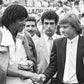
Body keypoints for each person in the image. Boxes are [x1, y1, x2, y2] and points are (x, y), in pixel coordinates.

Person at [38, 12, 84, 84]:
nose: (62, 30)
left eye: (65, 27)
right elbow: (53, 66)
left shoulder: (82, 42)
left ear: (74, 27)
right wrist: (44, 76)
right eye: (61, 27)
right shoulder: (58, 43)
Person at [0, 4, 39, 84]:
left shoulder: (26, 36)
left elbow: (32, 58)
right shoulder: (1, 35)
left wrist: (29, 64)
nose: (24, 23)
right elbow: (2, 68)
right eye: (21, 20)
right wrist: (28, 74)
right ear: (11, 20)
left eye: (25, 20)